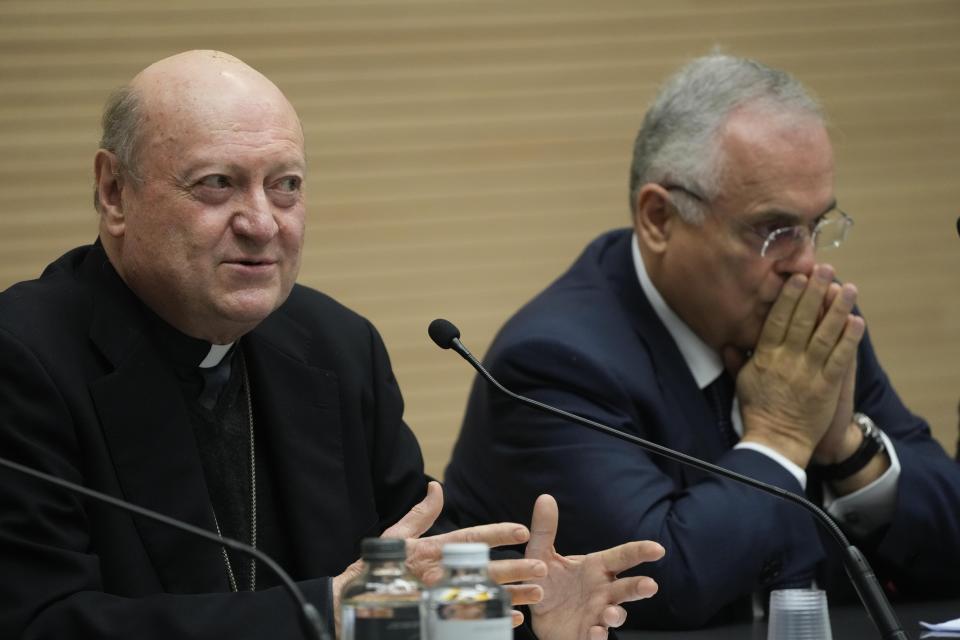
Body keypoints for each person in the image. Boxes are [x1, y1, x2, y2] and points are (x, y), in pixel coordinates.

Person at [0, 50, 666, 640]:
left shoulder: (337, 348)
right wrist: (324, 615)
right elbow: (41, 621)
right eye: (217, 184)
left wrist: (516, 611)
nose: (262, 223)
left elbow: (412, 580)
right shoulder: (25, 360)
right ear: (113, 192)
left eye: (285, 185)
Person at [444, 54, 960, 629]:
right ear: (660, 218)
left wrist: (847, 450)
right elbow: (661, 590)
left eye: (817, 227)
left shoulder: (807, 317)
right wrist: (784, 437)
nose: (807, 264)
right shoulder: (554, 362)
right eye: (775, 231)